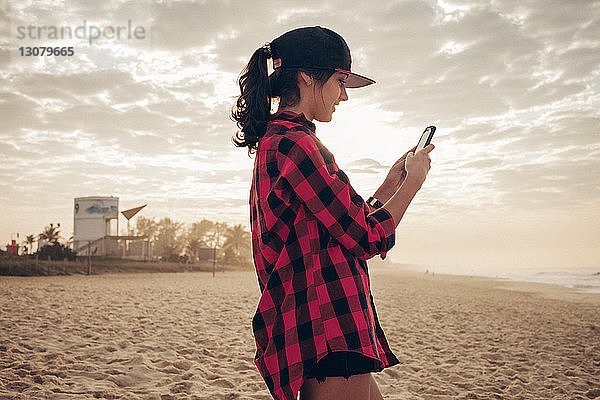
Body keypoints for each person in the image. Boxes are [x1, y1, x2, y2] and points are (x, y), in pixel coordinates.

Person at [232, 26, 434, 400]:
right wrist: (414, 183)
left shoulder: (285, 141)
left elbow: (346, 226)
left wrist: (392, 183)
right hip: (326, 326)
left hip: (325, 327)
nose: (344, 96)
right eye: (341, 82)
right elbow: (366, 237)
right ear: (308, 76)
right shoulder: (296, 144)